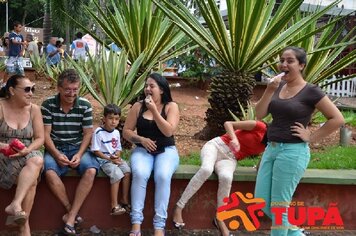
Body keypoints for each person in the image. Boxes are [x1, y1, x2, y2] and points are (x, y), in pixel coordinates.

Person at [254, 46, 344, 236]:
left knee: (279, 207)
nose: (283, 64)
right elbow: (259, 114)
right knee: (262, 201)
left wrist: (311, 137)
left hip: (292, 153)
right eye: (282, 60)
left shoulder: (311, 91)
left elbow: (337, 119)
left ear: (301, 65)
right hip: (271, 149)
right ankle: (296, 233)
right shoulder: (277, 87)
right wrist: (269, 90)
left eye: (290, 61)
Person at [173, 120, 267, 236]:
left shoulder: (270, 145)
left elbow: (261, 165)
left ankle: (220, 219)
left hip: (230, 159)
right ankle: (179, 207)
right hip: (216, 146)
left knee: (227, 178)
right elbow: (228, 123)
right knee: (206, 169)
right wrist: (234, 139)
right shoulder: (260, 127)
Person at [41, 68, 100, 235]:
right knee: (49, 171)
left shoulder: (85, 106)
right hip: (56, 147)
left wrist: (79, 154)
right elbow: (45, 134)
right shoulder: (48, 105)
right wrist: (56, 154)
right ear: (59, 88)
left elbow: (88, 133)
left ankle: (71, 216)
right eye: (67, 89)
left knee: (90, 170)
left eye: (75, 89)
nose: (72, 93)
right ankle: (70, 211)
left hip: (77, 147)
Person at [123, 73, 180, 236]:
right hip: (142, 150)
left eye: (152, 86)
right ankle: (136, 224)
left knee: (162, 175)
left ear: (161, 90)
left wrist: (154, 111)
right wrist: (141, 139)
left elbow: (168, 131)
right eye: (146, 86)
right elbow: (126, 132)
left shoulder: (171, 106)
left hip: (166, 150)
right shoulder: (137, 106)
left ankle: (159, 227)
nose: (147, 89)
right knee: (140, 174)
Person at [0, 74, 44, 235]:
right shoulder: (1, 106)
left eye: (32, 89)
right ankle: (23, 226)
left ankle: (16, 204)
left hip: (27, 152)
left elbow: (40, 138)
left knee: (37, 159)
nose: (31, 93)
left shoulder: (34, 109)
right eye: (26, 89)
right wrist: (6, 146)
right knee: (31, 181)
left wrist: (28, 149)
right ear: (12, 90)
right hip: (3, 154)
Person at [91, 104, 131, 216]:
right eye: (110, 118)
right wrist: (109, 158)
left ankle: (124, 199)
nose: (113, 122)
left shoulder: (116, 132)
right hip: (103, 160)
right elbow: (96, 151)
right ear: (104, 118)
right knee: (117, 174)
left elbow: (118, 149)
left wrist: (116, 156)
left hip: (113, 158)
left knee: (127, 171)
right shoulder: (98, 132)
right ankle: (114, 206)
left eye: (116, 119)